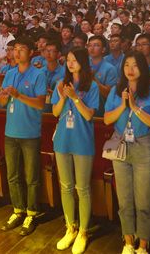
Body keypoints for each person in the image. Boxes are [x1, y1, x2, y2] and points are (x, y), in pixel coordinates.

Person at [103, 51, 150, 254]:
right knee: (124, 198)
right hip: (121, 143)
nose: (130, 69)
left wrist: (135, 107)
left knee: (143, 199)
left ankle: (144, 242)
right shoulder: (116, 91)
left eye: (135, 65)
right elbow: (107, 119)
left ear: (143, 69)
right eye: (126, 65)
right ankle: (128, 239)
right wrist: (123, 105)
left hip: (143, 145)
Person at [0, 36, 47, 236]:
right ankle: (18, 209)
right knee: (13, 175)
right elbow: (2, 103)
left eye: (22, 49)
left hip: (30, 133)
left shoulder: (38, 74)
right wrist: (3, 96)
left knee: (31, 177)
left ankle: (32, 213)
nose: (17, 53)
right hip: (10, 131)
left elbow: (40, 103)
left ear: (31, 52)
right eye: (15, 49)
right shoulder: (9, 73)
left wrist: (18, 95)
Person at [52, 48, 99, 254]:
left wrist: (75, 97)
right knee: (66, 187)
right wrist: (64, 97)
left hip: (82, 142)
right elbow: (55, 112)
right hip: (62, 140)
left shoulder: (91, 86)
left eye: (75, 60)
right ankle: (70, 227)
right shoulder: (60, 83)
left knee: (83, 188)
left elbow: (89, 115)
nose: (70, 63)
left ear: (83, 62)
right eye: (68, 60)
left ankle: (83, 232)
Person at [87, 35, 118, 116]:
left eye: (96, 45)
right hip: (83, 108)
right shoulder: (83, 65)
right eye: (90, 45)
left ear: (103, 49)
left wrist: (94, 80)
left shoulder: (110, 69)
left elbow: (109, 94)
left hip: (101, 111)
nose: (92, 48)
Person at [42, 40, 65, 112]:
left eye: (52, 51)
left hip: (58, 107)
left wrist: (55, 93)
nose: (48, 53)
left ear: (58, 54)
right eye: (47, 50)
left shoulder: (65, 72)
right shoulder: (39, 72)